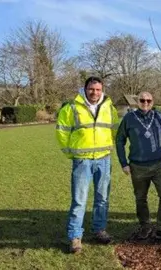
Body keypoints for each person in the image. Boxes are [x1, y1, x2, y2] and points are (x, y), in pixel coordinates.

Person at [55, 76, 119, 253]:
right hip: (82, 161)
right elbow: (62, 132)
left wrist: (109, 148)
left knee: (102, 199)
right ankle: (75, 236)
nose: (95, 93)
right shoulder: (71, 107)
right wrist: (71, 153)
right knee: (79, 200)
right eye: (91, 89)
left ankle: (99, 229)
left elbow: (115, 129)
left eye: (98, 89)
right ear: (85, 89)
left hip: (104, 159)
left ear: (102, 90)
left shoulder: (109, 107)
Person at [116, 91, 161, 242]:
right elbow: (119, 140)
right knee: (140, 199)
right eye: (142, 100)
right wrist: (124, 163)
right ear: (137, 102)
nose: (145, 103)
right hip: (138, 167)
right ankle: (145, 226)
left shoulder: (159, 116)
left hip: (158, 165)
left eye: (148, 101)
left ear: (152, 101)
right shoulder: (129, 118)